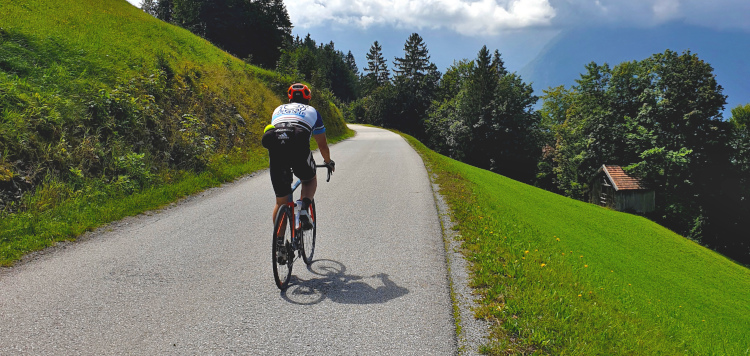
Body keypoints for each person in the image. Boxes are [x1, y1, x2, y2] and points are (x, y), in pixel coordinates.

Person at [262, 83, 335, 231]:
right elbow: (322, 145)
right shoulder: (312, 111)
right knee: (309, 179)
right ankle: (303, 208)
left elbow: (279, 137)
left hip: (276, 146)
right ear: (308, 98)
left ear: (289, 98)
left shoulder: (278, 109)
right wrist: (328, 162)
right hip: (298, 143)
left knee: (281, 202)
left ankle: (280, 246)